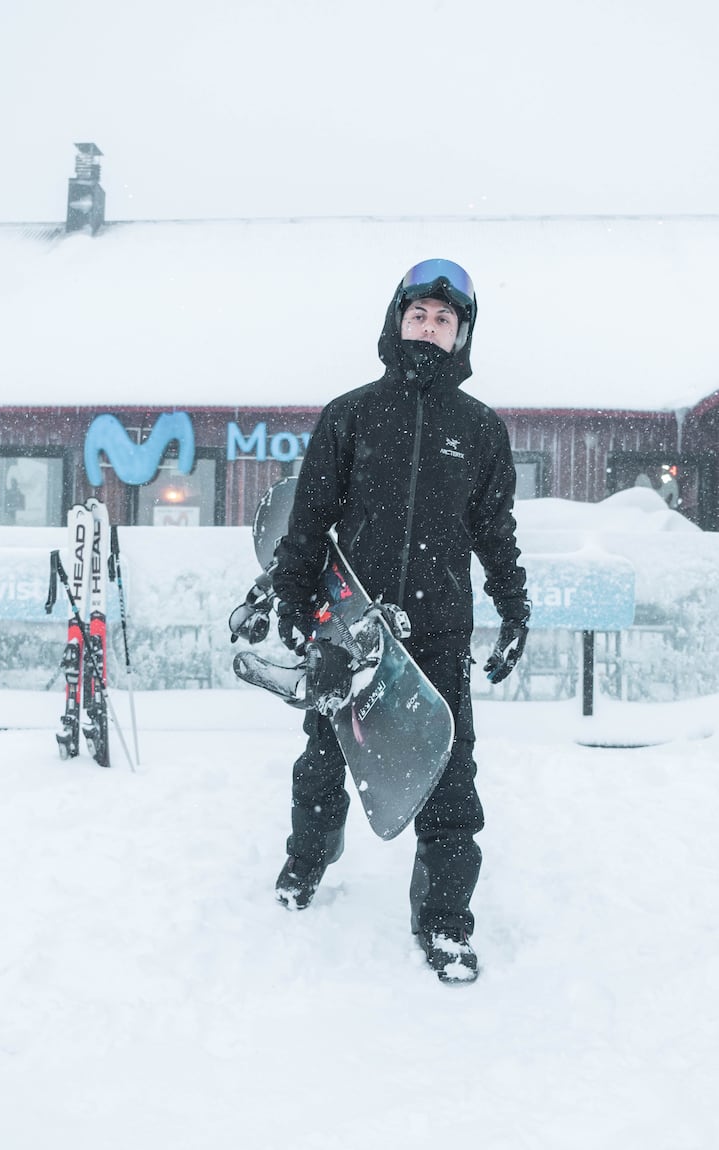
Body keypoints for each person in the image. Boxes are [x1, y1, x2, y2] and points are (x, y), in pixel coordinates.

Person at [271, 258, 529, 983]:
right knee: (324, 761)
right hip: (349, 624)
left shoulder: (479, 430)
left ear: (461, 335)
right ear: (396, 321)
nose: (428, 326)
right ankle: (308, 859)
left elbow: (494, 531)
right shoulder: (350, 413)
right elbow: (310, 518)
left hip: (438, 634)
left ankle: (444, 921)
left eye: (442, 319)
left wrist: (514, 607)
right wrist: (293, 602)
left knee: (449, 778)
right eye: (417, 314)